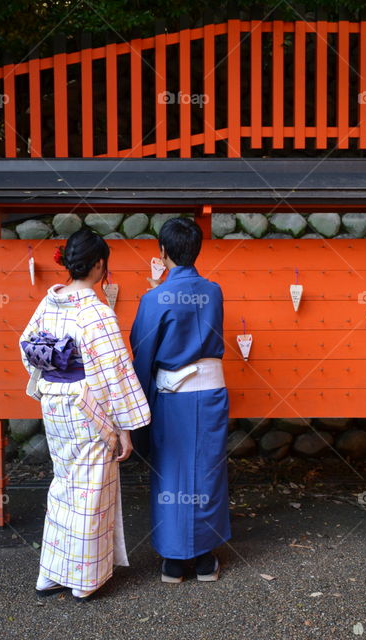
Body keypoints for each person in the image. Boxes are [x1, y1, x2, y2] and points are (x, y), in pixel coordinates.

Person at [19, 229, 151, 602]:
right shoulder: (95, 312)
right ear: (99, 264)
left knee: (64, 485)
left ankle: (51, 573)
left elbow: (28, 347)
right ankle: (84, 578)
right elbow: (115, 372)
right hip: (88, 408)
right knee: (91, 491)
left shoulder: (49, 303)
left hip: (54, 403)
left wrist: (55, 374)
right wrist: (125, 427)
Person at [129, 217, 231, 584]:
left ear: (162, 251)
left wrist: (137, 411)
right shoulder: (214, 292)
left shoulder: (153, 299)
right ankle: (204, 558)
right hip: (211, 394)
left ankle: (174, 560)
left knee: (171, 473)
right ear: (197, 250)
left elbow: (142, 351)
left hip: (172, 399)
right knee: (207, 471)